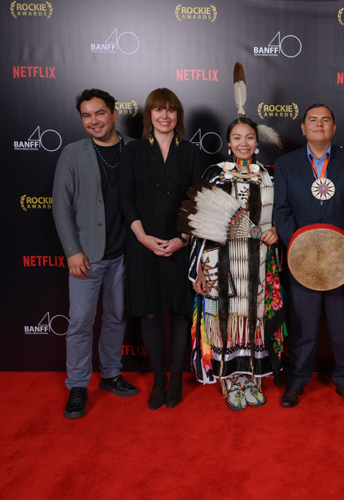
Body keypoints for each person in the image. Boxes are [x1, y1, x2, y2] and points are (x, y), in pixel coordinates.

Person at [180, 63, 286, 410]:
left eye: (249, 137)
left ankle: (251, 378)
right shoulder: (216, 174)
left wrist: (275, 230)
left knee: (253, 319)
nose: (244, 143)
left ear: (257, 142)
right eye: (237, 138)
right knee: (224, 320)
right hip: (220, 263)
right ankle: (230, 380)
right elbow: (200, 227)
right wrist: (197, 269)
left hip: (259, 264)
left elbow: (280, 215)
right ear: (228, 142)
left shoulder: (269, 177)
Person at [273, 103, 344, 408]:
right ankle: (297, 380)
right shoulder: (285, 164)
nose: (319, 124)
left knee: (341, 326)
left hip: (341, 259)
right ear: (302, 128)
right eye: (312, 120)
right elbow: (281, 211)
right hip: (302, 261)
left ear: (334, 128)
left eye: (325, 120)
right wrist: (300, 248)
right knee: (303, 325)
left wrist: (341, 246)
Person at [53, 89, 138, 419]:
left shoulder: (135, 149)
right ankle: (77, 385)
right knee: (80, 322)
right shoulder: (72, 153)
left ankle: (111, 374)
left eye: (99, 113)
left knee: (116, 317)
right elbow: (61, 206)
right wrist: (72, 251)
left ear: (114, 114)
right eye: (86, 116)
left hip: (126, 254)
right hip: (87, 256)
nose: (93, 121)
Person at [118, 88, 203, 410]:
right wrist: (142, 237)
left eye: (170, 109)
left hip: (181, 243)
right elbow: (125, 197)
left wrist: (183, 239)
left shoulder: (192, 152)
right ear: (149, 115)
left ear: (177, 115)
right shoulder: (134, 150)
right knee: (151, 313)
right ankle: (158, 380)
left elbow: (198, 201)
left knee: (180, 313)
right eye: (158, 109)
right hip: (143, 243)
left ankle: (177, 378)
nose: (164, 115)